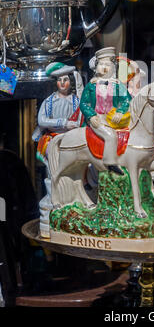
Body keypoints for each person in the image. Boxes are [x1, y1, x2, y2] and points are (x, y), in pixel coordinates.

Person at [32, 62, 83, 238]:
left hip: (72, 140)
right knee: (53, 172)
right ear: (56, 83)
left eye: (66, 80)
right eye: (60, 80)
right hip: (54, 140)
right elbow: (42, 121)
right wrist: (62, 123)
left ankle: (72, 198)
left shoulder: (76, 100)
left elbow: (82, 116)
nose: (63, 83)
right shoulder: (50, 101)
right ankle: (53, 199)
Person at [79, 46, 132, 174]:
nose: (104, 67)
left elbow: (126, 100)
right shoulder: (91, 86)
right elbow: (84, 103)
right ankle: (110, 164)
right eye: (101, 64)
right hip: (98, 118)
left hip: (114, 118)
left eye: (108, 64)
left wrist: (120, 112)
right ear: (96, 67)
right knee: (110, 135)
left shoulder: (117, 85)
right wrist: (91, 116)